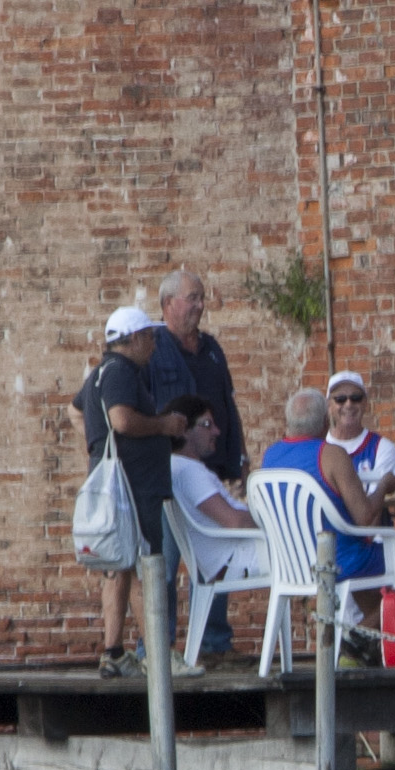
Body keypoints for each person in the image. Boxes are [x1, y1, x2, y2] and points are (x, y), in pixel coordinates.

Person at [260, 389, 395, 655]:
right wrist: (384, 484)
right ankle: (357, 633)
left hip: (292, 563)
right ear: (327, 422)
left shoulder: (270, 457)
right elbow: (364, 517)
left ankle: (363, 645)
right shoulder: (332, 455)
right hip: (341, 560)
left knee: (372, 595)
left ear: (288, 422)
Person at [73, 305, 191, 678]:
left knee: (117, 566)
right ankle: (158, 654)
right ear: (135, 338)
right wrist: (164, 425)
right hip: (133, 487)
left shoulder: (100, 373)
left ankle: (113, 651)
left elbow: (76, 412)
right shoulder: (122, 371)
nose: (155, 345)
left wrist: (97, 447)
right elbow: (121, 420)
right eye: (150, 337)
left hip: (118, 482)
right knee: (146, 564)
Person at [145, 269, 247, 663]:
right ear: (168, 303)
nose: (201, 305)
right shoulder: (153, 348)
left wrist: (238, 456)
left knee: (215, 559)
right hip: (171, 475)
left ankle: (214, 642)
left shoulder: (211, 349)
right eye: (193, 298)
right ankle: (158, 646)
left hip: (212, 470)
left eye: (202, 298)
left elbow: (227, 403)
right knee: (167, 562)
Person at [163, 393, 261, 591]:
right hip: (237, 559)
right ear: (184, 430)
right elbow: (235, 522)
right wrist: (275, 521)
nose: (216, 431)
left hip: (239, 554)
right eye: (207, 425)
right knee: (324, 552)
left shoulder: (179, 467)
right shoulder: (189, 472)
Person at [325, 371, 395, 491]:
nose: (349, 404)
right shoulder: (318, 447)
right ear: (329, 405)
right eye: (340, 399)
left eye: (356, 398)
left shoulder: (382, 448)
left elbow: (374, 501)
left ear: (365, 403)